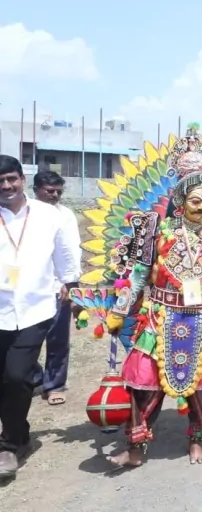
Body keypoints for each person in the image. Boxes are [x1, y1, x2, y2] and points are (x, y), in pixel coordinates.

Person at [104, 125, 202, 467]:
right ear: (179, 200)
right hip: (161, 315)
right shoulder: (155, 228)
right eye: (195, 200)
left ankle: (196, 439)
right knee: (143, 383)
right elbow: (137, 274)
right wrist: (119, 311)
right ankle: (135, 447)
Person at [0, 156, 79, 478]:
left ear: (22, 179)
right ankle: (17, 430)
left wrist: (70, 283)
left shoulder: (48, 215)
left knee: (17, 377)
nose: (6, 186)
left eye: (11, 179)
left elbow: (64, 254)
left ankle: (11, 444)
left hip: (35, 308)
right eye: (0, 181)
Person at [31, 171, 82, 406]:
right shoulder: (24, 214)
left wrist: (71, 283)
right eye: (49, 191)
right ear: (35, 190)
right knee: (24, 339)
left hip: (58, 287)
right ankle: (34, 377)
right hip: (28, 288)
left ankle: (54, 385)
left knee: (58, 339)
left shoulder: (66, 215)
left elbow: (73, 251)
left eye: (58, 191)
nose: (54, 195)